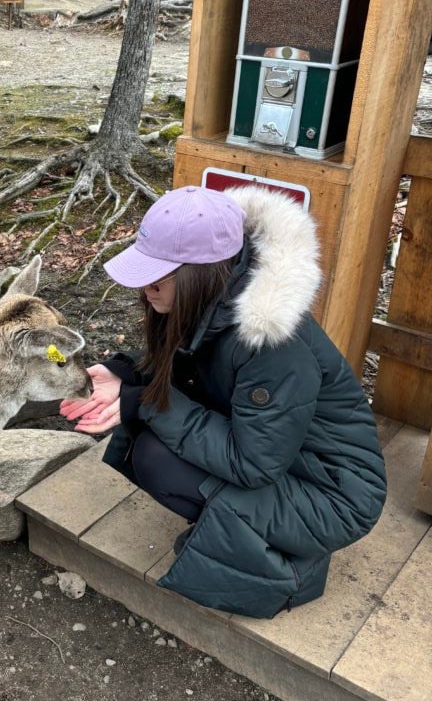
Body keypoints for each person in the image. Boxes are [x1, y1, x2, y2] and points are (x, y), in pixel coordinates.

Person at [60, 185, 387, 618]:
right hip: (288, 461)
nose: (146, 289)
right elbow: (192, 370)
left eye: (158, 275)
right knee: (149, 440)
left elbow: (253, 464)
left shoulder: (271, 342)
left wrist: (142, 403)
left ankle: (287, 565)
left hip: (334, 495)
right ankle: (244, 533)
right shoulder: (215, 298)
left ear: (202, 273)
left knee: (157, 456)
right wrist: (123, 373)